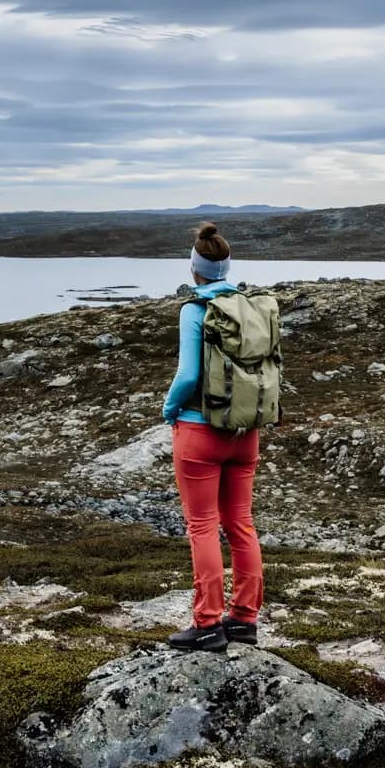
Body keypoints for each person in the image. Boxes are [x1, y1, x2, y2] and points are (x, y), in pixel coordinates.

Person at [161, 221, 263, 652]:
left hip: (199, 430)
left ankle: (206, 623)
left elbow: (188, 375)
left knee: (202, 526)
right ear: (227, 267)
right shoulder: (250, 305)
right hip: (246, 430)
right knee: (240, 523)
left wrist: (169, 409)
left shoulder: (194, 310)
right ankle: (244, 619)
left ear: (194, 268)